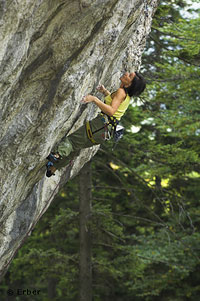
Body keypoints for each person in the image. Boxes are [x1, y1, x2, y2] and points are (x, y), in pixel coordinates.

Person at [46, 71, 146, 177]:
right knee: (75, 148)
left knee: (72, 141)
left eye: (129, 76)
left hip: (100, 126)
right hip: (105, 132)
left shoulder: (121, 92)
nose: (126, 73)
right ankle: (52, 169)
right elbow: (114, 103)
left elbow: (111, 111)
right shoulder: (125, 96)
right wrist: (105, 92)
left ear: (130, 84)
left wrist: (94, 99)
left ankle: (57, 155)